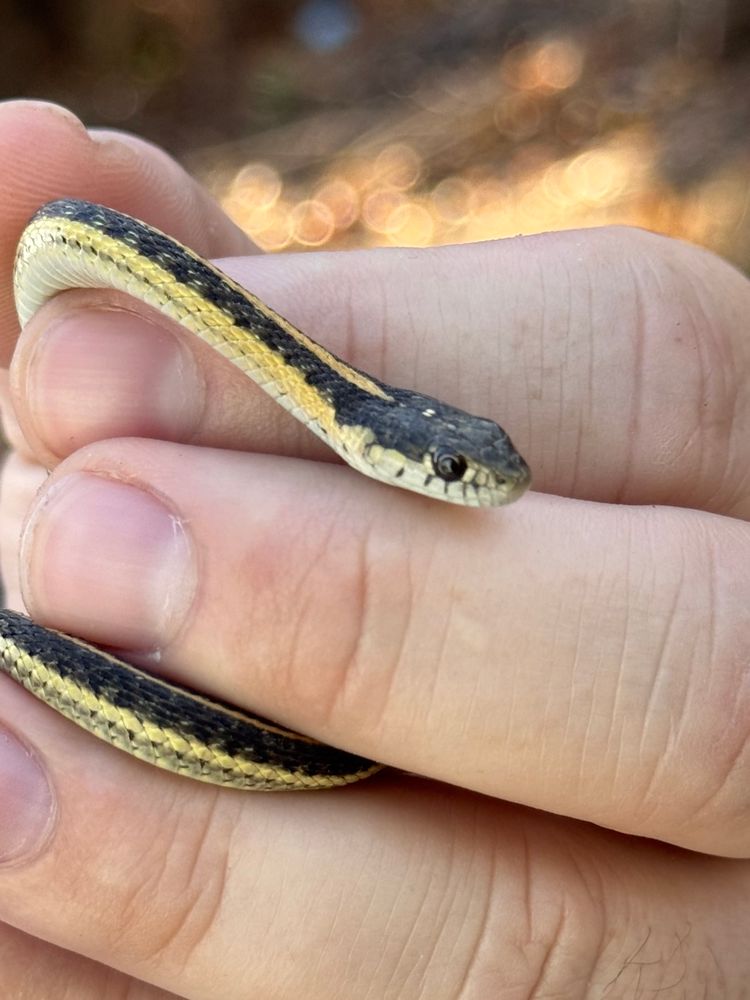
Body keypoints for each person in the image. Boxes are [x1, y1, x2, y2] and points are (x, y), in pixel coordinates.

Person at [0, 98, 749, 998]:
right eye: (453, 470)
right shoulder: (272, 369)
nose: (489, 488)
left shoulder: (321, 395)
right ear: (384, 444)